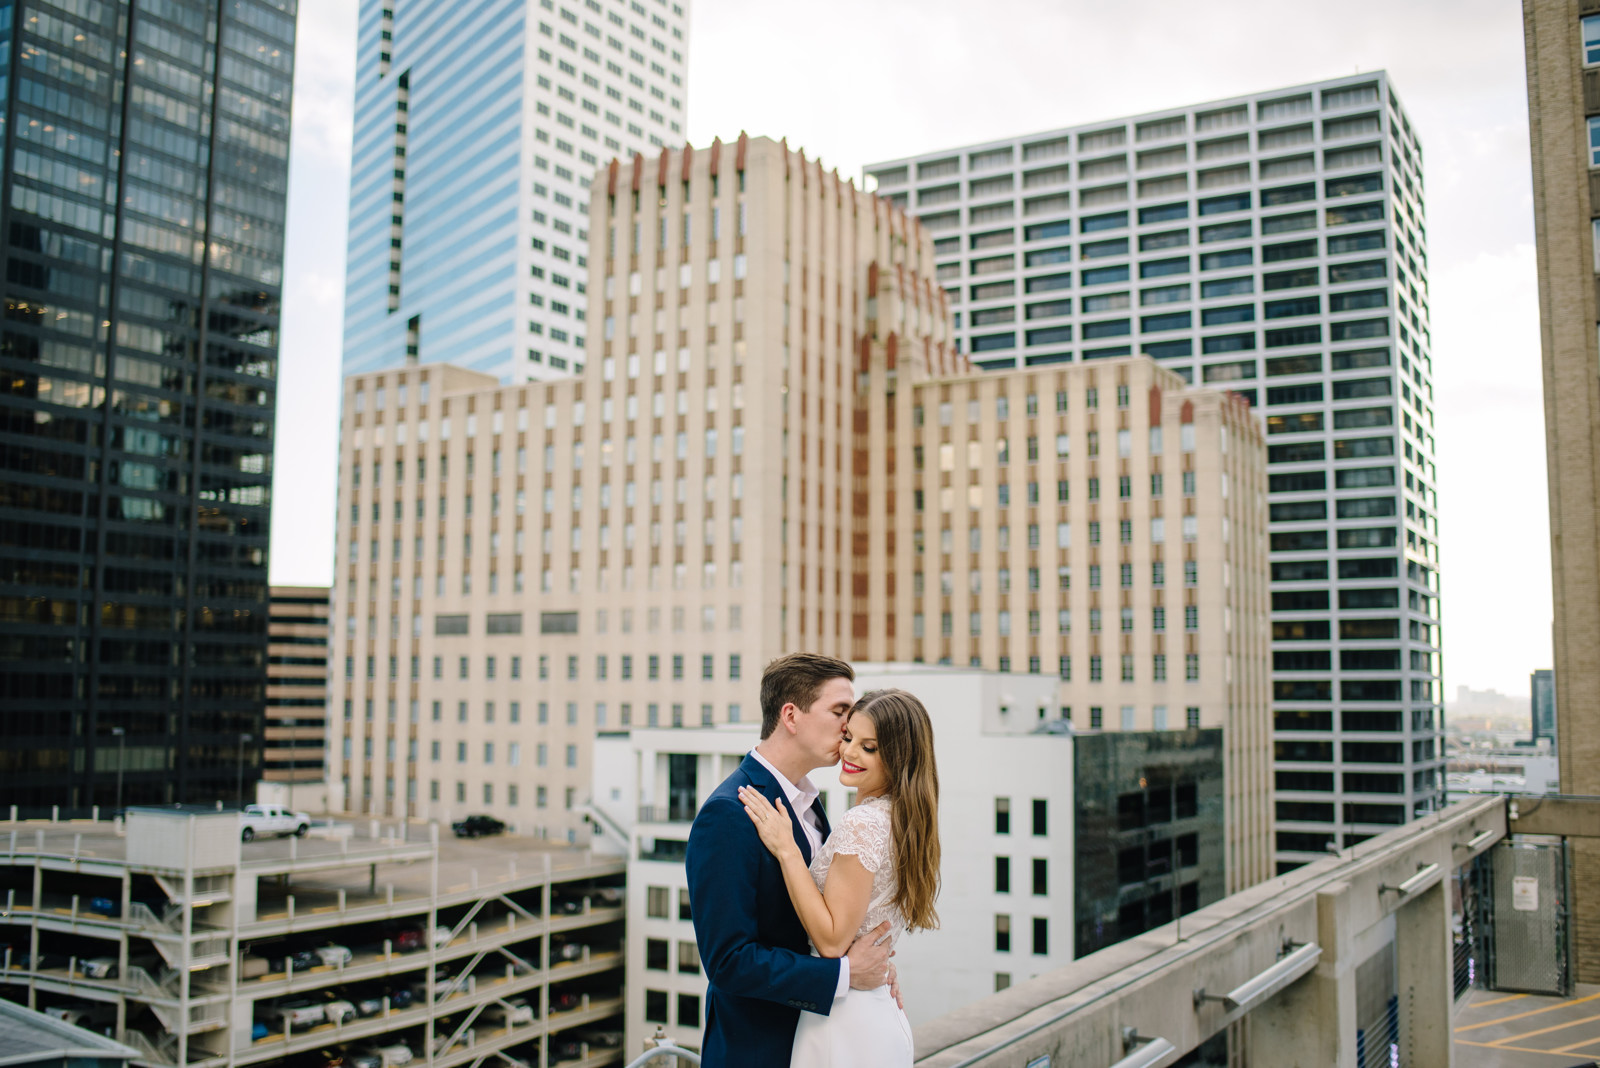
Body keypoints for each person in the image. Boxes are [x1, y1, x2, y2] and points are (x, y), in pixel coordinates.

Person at [685, 654, 898, 1068]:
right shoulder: (728, 814)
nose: (848, 727)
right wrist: (845, 975)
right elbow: (728, 962)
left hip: (824, 1043)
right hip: (761, 1052)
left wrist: (877, 968)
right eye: (839, 711)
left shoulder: (812, 805)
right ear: (791, 715)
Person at [739, 687, 941, 1068]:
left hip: (845, 1022)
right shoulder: (903, 819)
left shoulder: (863, 823)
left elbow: (832, 942)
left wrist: (787, 850)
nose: (848, 753)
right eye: (849, 738)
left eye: (870, 748)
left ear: (898, 758)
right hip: (872, 1012)